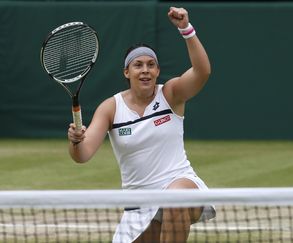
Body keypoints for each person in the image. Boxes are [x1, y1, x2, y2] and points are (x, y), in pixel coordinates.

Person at [67, 6, 215, 243]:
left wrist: (186, 29)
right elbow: (82, 155)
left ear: (157, 70)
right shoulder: (111, 108)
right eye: (138, 65)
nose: (145, 70)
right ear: (127, 71)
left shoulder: (170, 94)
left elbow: (202, 72)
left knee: (174, 200)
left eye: (150, 64)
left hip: (181, 186)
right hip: (138, 205)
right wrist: (75, 142)